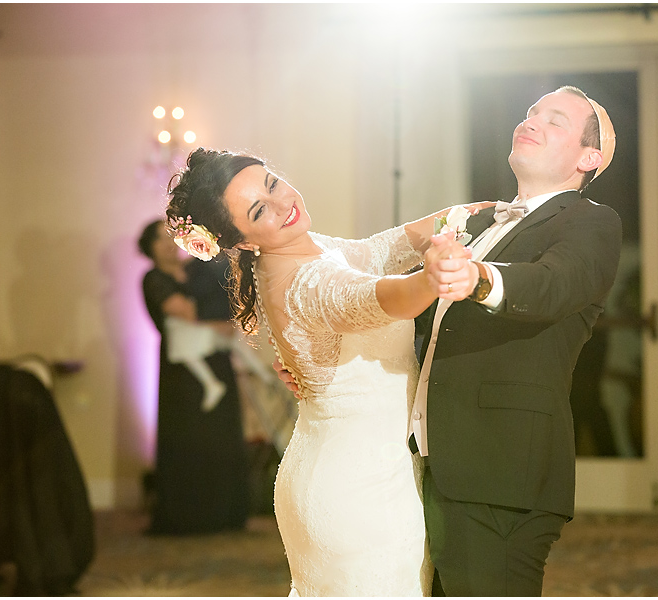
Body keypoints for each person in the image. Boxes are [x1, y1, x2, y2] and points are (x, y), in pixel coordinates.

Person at [164, 149, 486, 596]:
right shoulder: (302, 281)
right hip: (360, 489)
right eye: (260, 210)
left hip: (337, 471)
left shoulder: (307, 250)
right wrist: (430, 280)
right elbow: (371, 297)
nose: (282, 204)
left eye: (273, 183)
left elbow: (383, 249)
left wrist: (466, 216)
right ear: (240, 241)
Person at [412, 85, 622, 596]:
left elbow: (553, 284)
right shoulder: (480, 223)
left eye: (555, 121)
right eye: (530, 113)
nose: (531, 122)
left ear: (588, 157)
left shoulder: (591, 220)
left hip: (499, 466)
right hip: (434, 458)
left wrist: (479, 279)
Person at [138, 219, 249, 535]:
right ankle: (189, 516)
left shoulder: (198, 270)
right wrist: (219, 322)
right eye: (159, 240)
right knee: (190, 436)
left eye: (169, 238)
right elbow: (183, 311)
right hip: (183, 371)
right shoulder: (153, 279)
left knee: (221, 433)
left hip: (217, 358)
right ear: (149, 247)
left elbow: (230, 302)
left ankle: (225, 514)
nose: (166, 245)